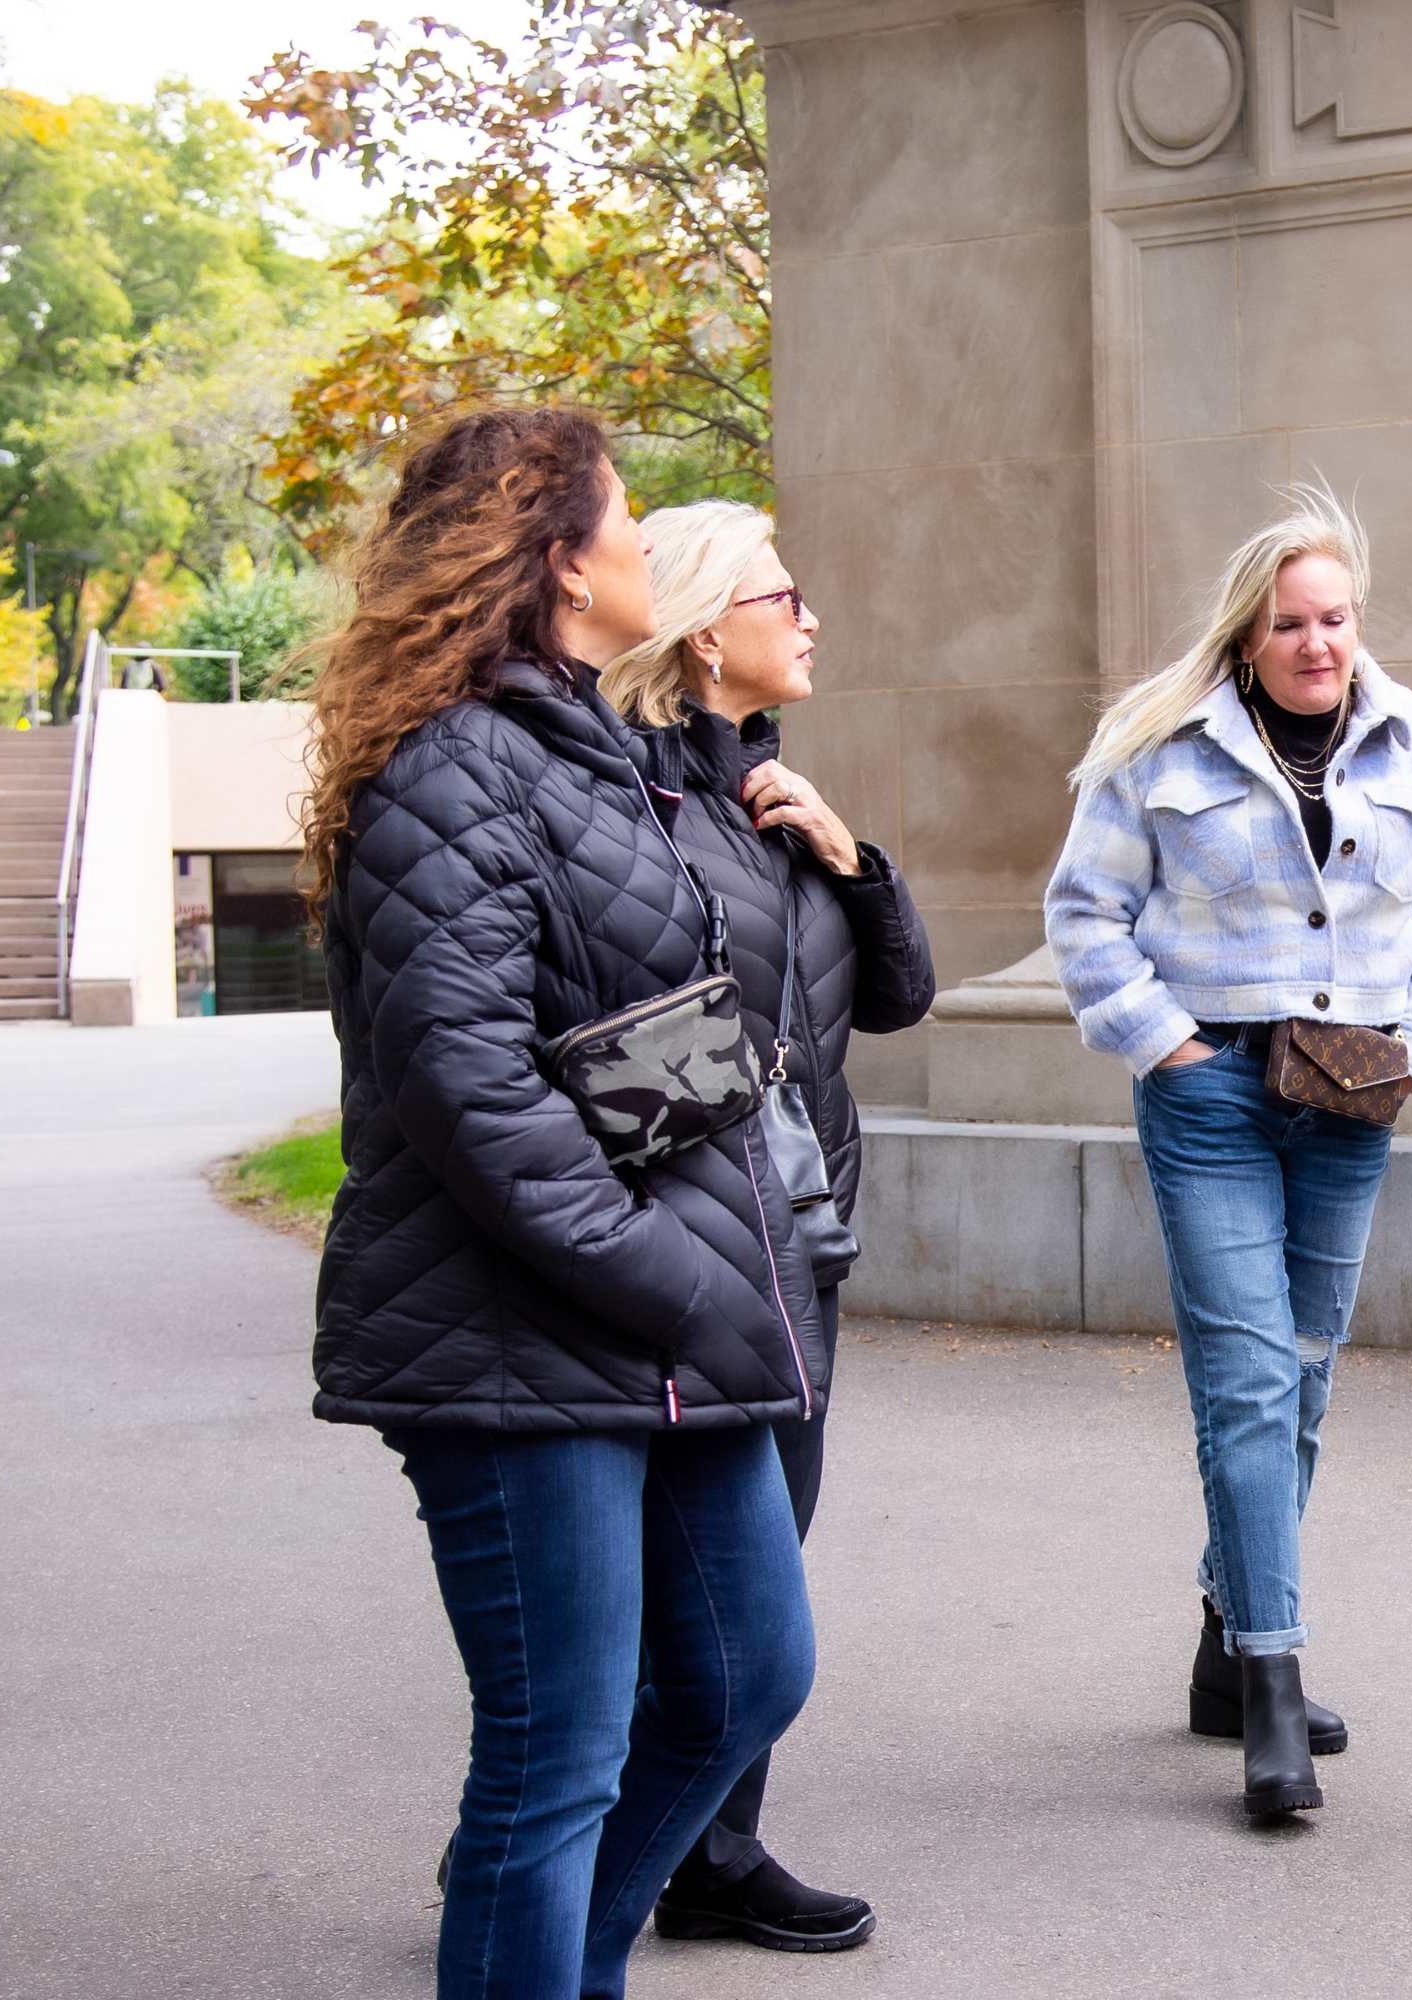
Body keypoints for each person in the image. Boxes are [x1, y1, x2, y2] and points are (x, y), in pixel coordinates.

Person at [304, 406, 826, 1997]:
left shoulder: (591, 746)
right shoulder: (447, 767)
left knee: (744, 1682)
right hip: (522, 1340)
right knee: (554, 1759)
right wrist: (669, 1278)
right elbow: (463, 1089)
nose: (642, 538)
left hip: (668, 1319)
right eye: (626, 514)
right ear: (558, 556)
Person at [1043, 485, 1412, 1821]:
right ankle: (1273, 1686)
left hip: (1351, 1098)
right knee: (1244, 1382)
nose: (1316, 643)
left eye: (1335, 618)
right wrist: (1169, 1047)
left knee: (1301, 1383)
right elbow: (1085, 911)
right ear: (1247, 637)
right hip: (1214, 1096)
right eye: (1290, 622)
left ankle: (1222, 1653)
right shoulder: (1163, 747)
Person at [599, 502, 934, 1951]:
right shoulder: (631, 798)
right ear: (700, 627)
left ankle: (701, 1848)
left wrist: (854, 859)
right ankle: (612, 1845)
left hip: (801, 1235)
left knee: (761, 1555)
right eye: (779, 593)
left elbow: (895, 999)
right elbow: (636, 1040)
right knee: (690, 1581)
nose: (807, 617)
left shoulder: (771, 796)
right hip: (698, 1238)